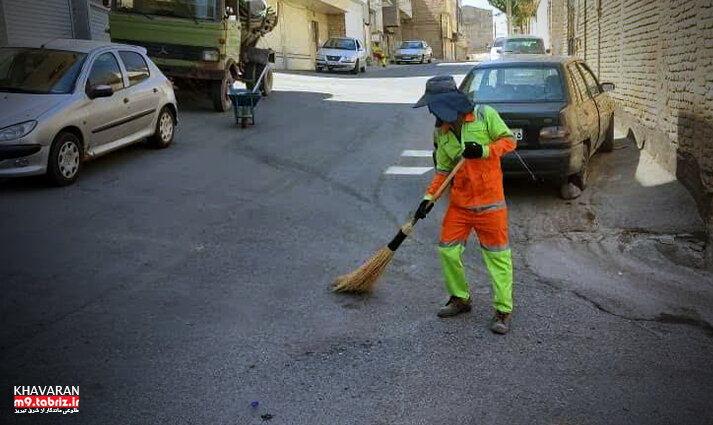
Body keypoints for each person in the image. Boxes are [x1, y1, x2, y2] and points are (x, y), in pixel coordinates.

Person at [413, 75, 516, 334]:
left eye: (433, 106)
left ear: (447, 103)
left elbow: (509, 141)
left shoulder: (484, 115)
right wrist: (428, 199)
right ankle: (460, 298)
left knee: (497, 257)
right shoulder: (441, 131)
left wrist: (482, 151)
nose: (431, 112)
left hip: (490, 203)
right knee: (447, 250)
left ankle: (503, 310)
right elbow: (443, 170)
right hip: (460, 205)